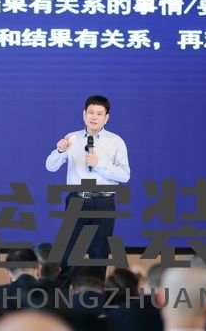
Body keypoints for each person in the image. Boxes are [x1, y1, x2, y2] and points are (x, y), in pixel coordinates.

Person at [45, 95, 130, 282]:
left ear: (106, 118)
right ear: (84, 114)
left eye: (99, 113)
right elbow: (50, 166)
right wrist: (60, 150)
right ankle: (61, 296)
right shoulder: (72, 138)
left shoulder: (116, 141)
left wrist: (99, 164)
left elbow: (125, 175)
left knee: (99, 255)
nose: (94, 117)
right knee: (67, 254)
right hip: (77, 200)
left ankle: (95, 297)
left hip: (104, 202)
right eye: (91, 112)